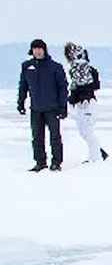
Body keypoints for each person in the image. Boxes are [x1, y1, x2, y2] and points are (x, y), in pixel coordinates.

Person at [17, 38, 69, 172]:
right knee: (37, 137)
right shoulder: (27, 66)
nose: (38, 51)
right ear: (32, 51)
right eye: (35, 49)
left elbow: (63, 88)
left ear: (44, 50)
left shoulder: (55, 67)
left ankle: (56, 163)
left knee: (55, 137)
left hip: (52, 108)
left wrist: (63, 107)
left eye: (40, 49)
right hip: (36, 109)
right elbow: (23, 86)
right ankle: (40, 163)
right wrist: (21, 102)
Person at [64, 42, 108, 163]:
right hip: (85, 103)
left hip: (86, 104)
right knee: (86, 131)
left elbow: (83, 87)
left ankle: (97, 157)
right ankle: (96, 153)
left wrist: (75, 97)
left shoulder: (79, 69)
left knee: (87, 132)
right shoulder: (86, 69)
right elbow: (95, 85)